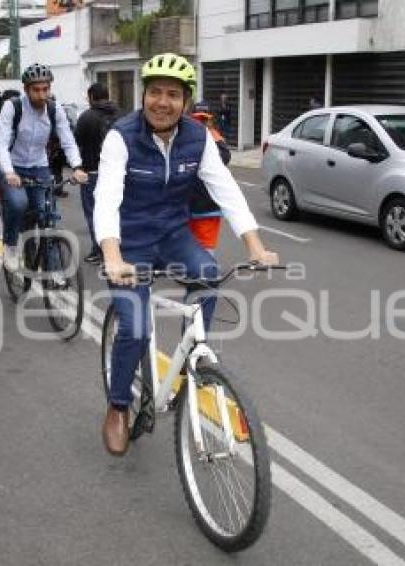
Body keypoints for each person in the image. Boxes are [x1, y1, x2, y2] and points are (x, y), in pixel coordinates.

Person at [93, 53, 279, 456]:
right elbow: (105, 197)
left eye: (173, 94)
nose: (163, 101)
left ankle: (192, 360)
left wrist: (256, 246)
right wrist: (112, 253)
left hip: (174, 235)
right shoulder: (120, 136)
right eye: (155, 92)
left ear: (186, 100)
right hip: (131, 243)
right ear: (144, 95)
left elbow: (225, 188)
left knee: (207, 274)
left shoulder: (198, 137)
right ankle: (118, 405)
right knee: (137, 327)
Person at [0, 63, 88, 271]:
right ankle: (10, 245)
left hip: (39, 166)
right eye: (36, 90)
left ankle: (54, 271)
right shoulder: (13, 107)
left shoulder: (55, 109)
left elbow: (68, 140)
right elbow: (0, 143)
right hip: (13, 166)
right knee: (18, 204)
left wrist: (77, 166)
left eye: (45, 89)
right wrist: (8, 172)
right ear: (26, 89)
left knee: (48, 216)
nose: (42, 94)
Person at [74, 82, 120, 264]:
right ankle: (116, 248)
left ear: (92, 97)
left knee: (94, 213)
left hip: (92, 172)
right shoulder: (121, 115)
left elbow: (75, 143)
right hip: (117, 172)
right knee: (116, 211)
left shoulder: (86, 117)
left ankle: (99, 250)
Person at [188, 100, 231, 253]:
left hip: (207, 205)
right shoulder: (182, 137)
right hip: (186, 205)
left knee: (206, 247)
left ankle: (206, 272)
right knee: (189, 244)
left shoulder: (215, 137)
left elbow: (224, 159)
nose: (200, 123)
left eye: (204, 119)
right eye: (197, 119)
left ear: (210, 120)